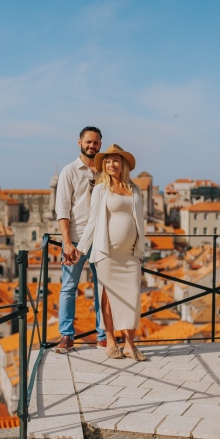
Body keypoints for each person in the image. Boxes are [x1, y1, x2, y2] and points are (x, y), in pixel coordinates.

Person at [74, 144, 146, 361]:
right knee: (108, 297)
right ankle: (111, 341)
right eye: (107, 161)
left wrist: (141, 247)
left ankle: (130, 344)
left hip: (130, 254)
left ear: (122, 164)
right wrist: (80, 250)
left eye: (115, 160)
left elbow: (139, 220)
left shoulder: (134, 190)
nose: (111, 164)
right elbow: (93, 221)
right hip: (107, 252)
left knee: (132, 297)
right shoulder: (100, 189)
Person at [54, 126, 107, 353]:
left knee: (102, 288)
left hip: (101, 238)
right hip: (75, 239)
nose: (91, 146)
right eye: (88, 142)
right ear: (79, 143)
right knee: (68, 287)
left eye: (95, 143)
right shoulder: (69, 171)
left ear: (100, 145)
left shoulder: (105, 171)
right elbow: (63, 209)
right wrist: (66, 242)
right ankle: (67, 336)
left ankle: (103, 335)